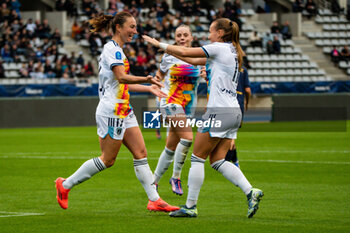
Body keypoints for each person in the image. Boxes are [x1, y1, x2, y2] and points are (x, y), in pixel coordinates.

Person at [55, 12, 179, 213]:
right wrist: (146, 79)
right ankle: (65, 185)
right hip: (112, 111)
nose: (135, 31)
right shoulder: (112, 50)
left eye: (135, 27)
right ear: (119, 27)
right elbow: (122, 77)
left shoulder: (118, 51)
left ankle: (154, 200)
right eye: (131, 26)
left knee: (140, 153)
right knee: (108, 159)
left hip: (124, 108)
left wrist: (148, 88)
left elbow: (122, 84)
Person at [143, 18, 263, 218]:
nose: (208, 35)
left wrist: (159, 45)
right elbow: (190, 59)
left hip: (219, 111)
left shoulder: (218, 47)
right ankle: (251, 191)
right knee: (217, 161)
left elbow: (185, 52)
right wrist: (172, 51)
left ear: (220, 33)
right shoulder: (233, 51)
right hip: (234, 111)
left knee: (197, 157)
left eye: (211, 31)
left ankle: (190, 206)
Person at [152, 24, 202, 196]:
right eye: (179, 35)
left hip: (187, 106)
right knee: (187, 138)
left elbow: (208, 77)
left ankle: (153, 182)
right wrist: (157, 89)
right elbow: (159, 76)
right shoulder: (169, 55)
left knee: (170, 147)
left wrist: (206, 75)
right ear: (175, 38)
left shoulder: (200, 56)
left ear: (191, 37)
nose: (182, 38)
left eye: (185, 35)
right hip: (170, 102)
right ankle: (176, 177)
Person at [225, 66, 251, 167]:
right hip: (239, 101)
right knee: (232, 133)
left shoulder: (225, 67)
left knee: (228, 134)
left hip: (225, 100)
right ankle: (234, 162)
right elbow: (248, 90)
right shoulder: (243, 70)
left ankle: (230, 162)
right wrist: (247, 102)